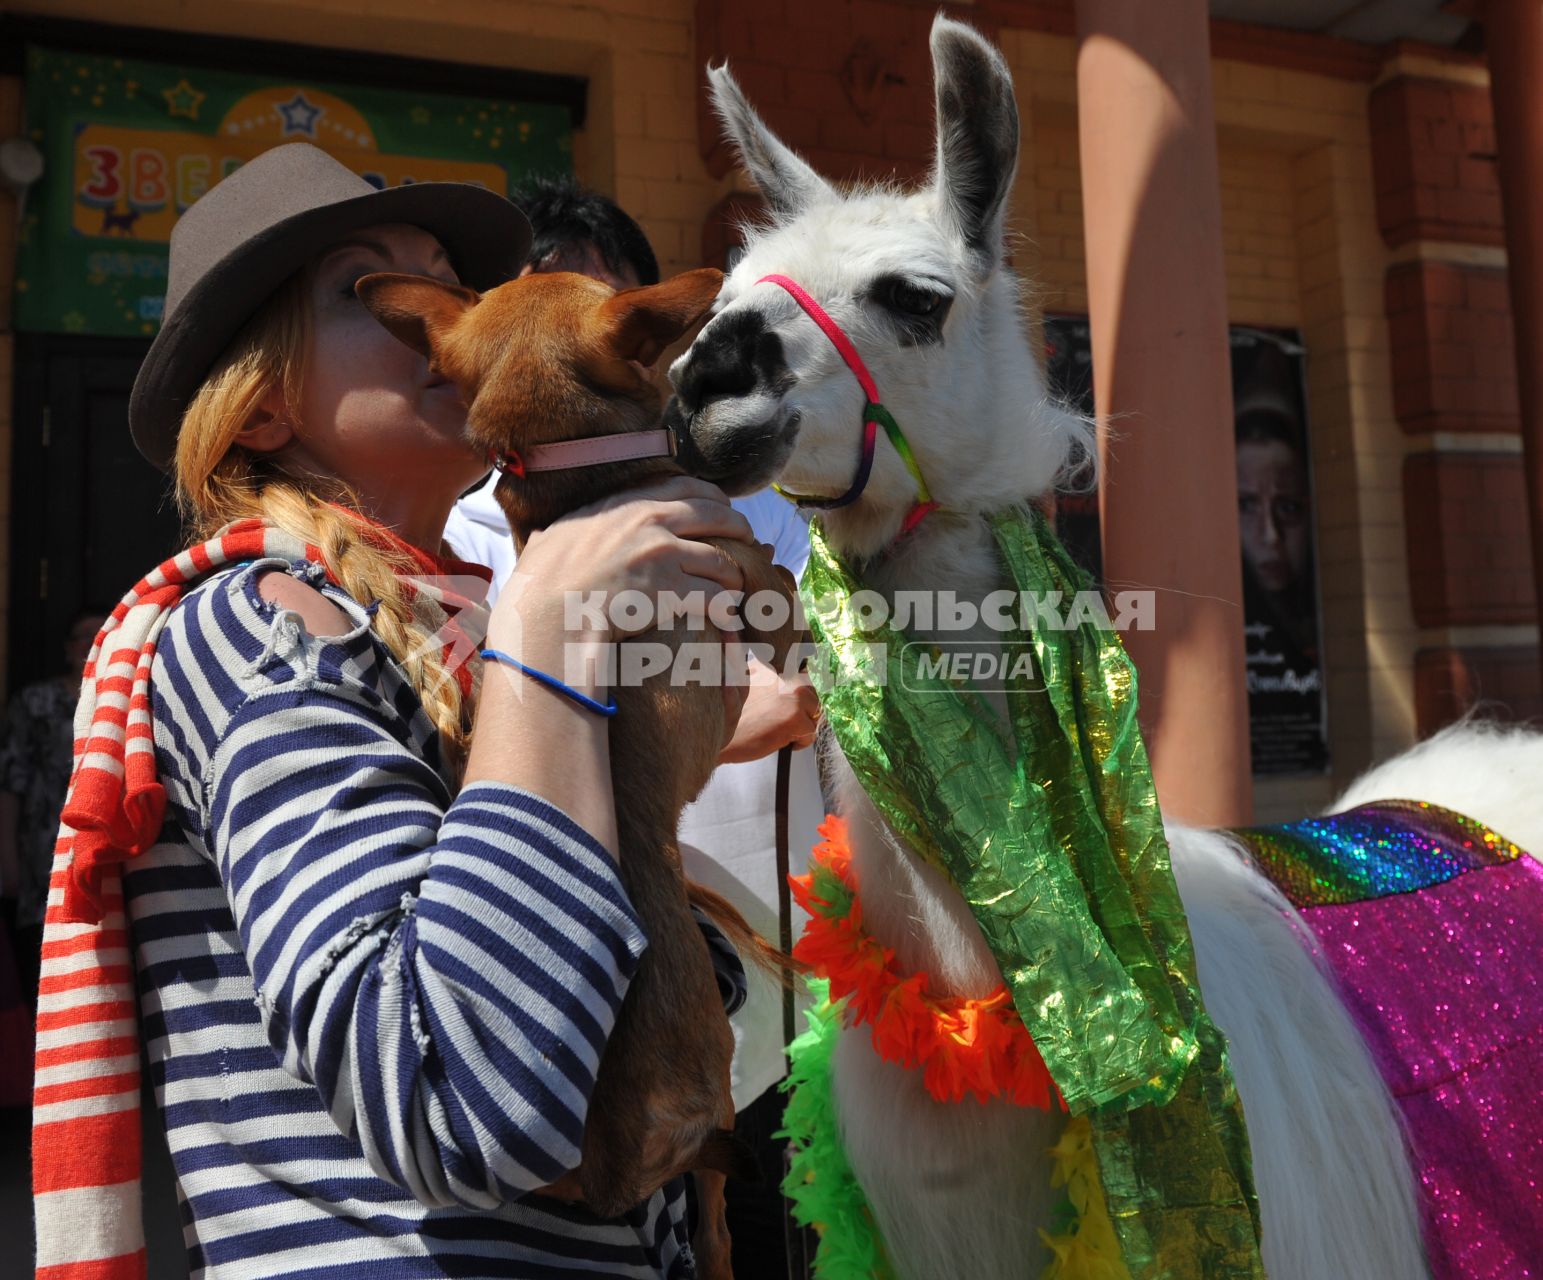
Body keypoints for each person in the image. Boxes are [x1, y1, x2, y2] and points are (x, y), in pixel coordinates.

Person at [33, 142, 761, 1279]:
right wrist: (553, 627)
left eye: (451, 289)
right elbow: (455, 1093)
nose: (449, 323)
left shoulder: (457, 631)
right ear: (263, 405)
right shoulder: (260, 624)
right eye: (373, 293)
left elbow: (613, 1005)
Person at [445, 176, 823, 1278]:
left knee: (783, 1233)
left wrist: (801, 693)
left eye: (617, 323)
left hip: (782, 970)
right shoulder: (466, 526)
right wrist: (707, 722)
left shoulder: (751, 507)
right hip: (584, 985)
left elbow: (817, 667)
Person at [0, 609, 105, 1004]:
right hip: (41, 859)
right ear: (66, 649)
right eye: (82, 637)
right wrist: (7, 861)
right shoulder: (35, 702)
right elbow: (11, 781)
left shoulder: (128, 696)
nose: (90, 645)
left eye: (99, 635)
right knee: (41, 982)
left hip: (102, 858)